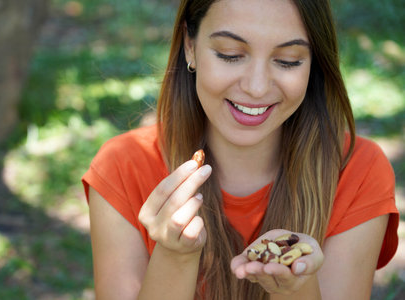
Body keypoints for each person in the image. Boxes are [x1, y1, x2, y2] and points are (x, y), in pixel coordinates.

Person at [82, 0, 399, 299]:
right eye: (230, 54)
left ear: (314, 63)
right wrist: (175, 256)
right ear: (189, 46)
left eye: (288, 60)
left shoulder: (358, 170)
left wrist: (294, 287)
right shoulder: (122, 167)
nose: (257, 87)